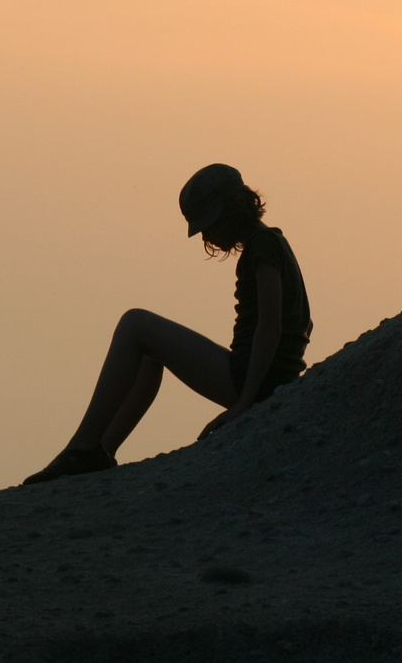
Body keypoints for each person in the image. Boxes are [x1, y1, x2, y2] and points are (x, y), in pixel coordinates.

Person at [22, 164, 312, 484]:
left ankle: (81, 447)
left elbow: (270, 327)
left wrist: (245, 405)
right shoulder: (273, 243)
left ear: (231, 211)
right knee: (149, 351)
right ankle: (101, 450)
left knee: (135, 324)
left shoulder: (264, 246)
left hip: (254, 382)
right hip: (263, 378)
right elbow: (292, 325)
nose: (206, 235)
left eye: (209, 224)